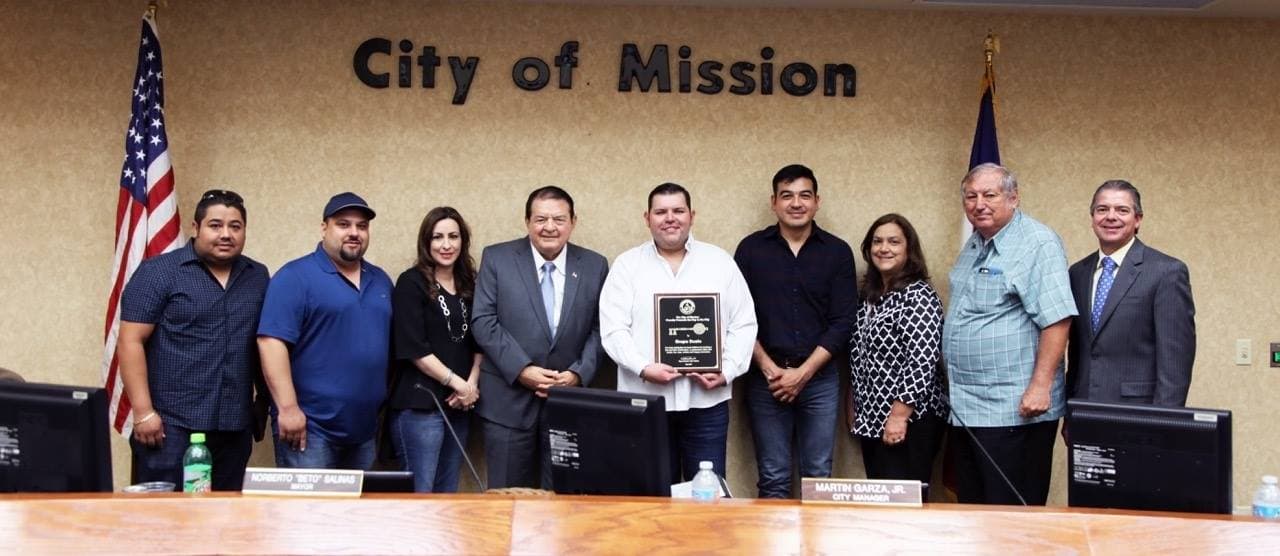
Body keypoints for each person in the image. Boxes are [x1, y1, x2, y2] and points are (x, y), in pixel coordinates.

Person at [600, 182, 757, 481]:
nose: (670, 218)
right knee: (652, 493)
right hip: (645, 400)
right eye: (661, 212)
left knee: (707, 494)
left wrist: (727, 370)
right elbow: (613, 330)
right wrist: (643, 368)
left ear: (691, 215)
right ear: (647, 218)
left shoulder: (720, 262)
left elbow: (744, 324)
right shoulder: (627, 266)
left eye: (678, 210)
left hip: (706, 402)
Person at [117, 189, 269, 490]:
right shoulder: (158, 273)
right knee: (167, 521)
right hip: (171, 426)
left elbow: (264, 343)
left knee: (223, 519)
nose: (225, 234)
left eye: (235, 226)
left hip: (233, 424)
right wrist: (144, 412)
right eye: (215, 225)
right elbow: (130, 341)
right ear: (196, 228)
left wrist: (262, 405)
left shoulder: (258, 276)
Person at [943, 163, 1076, 505]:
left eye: (990, 195)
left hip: (1015, 410)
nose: (979, 204)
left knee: (1012, 515)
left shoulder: (1037, 243)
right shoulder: (976, 243)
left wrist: (1040, 386)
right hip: (968, 408)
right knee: (975, 510)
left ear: (1014, 198)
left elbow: (1057, 319)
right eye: (971, 196)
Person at [471, 186, 609, 489]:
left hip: (568, 404)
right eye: (541, 219)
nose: (550, 227)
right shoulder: (497, 258)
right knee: (507, 500)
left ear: (573, 221)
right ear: (527, 222)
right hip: (507, 402)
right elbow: (483, 321)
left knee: (563, 499)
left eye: (559, 219)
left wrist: (578, 373)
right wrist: (521, 369)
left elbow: (602, 328)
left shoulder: (594, 265)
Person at [733, 164, 856, 498]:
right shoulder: (751, 250)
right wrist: (770, 369)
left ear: (817, 201)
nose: (796, 203)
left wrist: (802, 374)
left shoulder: (837, 252)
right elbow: (737, 317)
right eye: (787, 196)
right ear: (774, 202)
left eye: (804, 195)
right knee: (773, 478)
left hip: (819, 379)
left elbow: (844, 321)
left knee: (818, 477)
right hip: (765, 379)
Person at [257, 192, 393, 470]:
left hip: (364, 429)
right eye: (344, 224)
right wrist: (288, 408)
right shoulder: (295, 277)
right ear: (324, 228)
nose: (354, 232)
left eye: (362, 226)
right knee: (309, 512)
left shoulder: (380, 280)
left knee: (356, 512)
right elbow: (271, 343)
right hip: (310, 429)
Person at [1067, 180, 1195, 406]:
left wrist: (1164, 421)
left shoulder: (1166, 272)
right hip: (1085, 408)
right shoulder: (1077, 273)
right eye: (1102, 209)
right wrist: (1070, 411)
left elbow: (1175, 362)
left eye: (1122, 210)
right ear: (1092, 218)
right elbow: (1078, 353)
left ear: (1137, 220)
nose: (1111, 216)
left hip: (1139, 411)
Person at [387, 207, 482, 492]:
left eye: (453, 236)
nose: (446, 244)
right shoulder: (411, 282)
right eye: (437, 237)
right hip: (420, 407)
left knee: (447, 495)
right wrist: (459, 384)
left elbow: (480, 341)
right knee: (421, 497)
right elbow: (414, 348)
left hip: (460, 405)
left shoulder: (469, 284)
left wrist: (471, 386)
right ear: (426, 243)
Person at [849, 214, 947, 484]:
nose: (884, 248)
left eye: (894, 242)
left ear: (908, 249)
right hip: (873, 418)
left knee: (906, 504)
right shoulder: (868, 295)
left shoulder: (919, 296)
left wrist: (899, 416)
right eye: (877, 241)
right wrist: (854, 405)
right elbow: (859, 355)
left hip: (910, 420)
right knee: (881, 500)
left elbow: (921, 361)